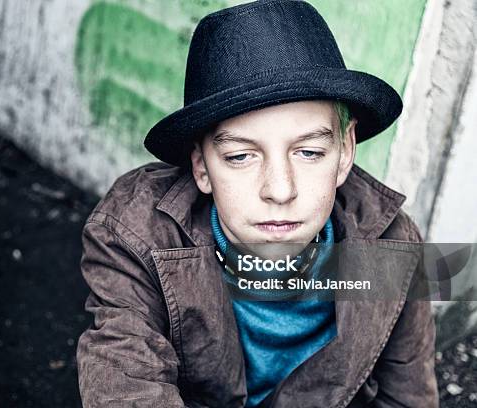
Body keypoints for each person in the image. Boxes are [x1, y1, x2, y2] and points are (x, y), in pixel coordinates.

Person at [76, 0, 438, 406]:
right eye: (239, 157)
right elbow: (125, 380)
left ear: (345, 151)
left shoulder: (394, 244)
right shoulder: (134, 232)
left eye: (309, 153)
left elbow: (408, 396)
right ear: (202, 167)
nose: (280, 191)